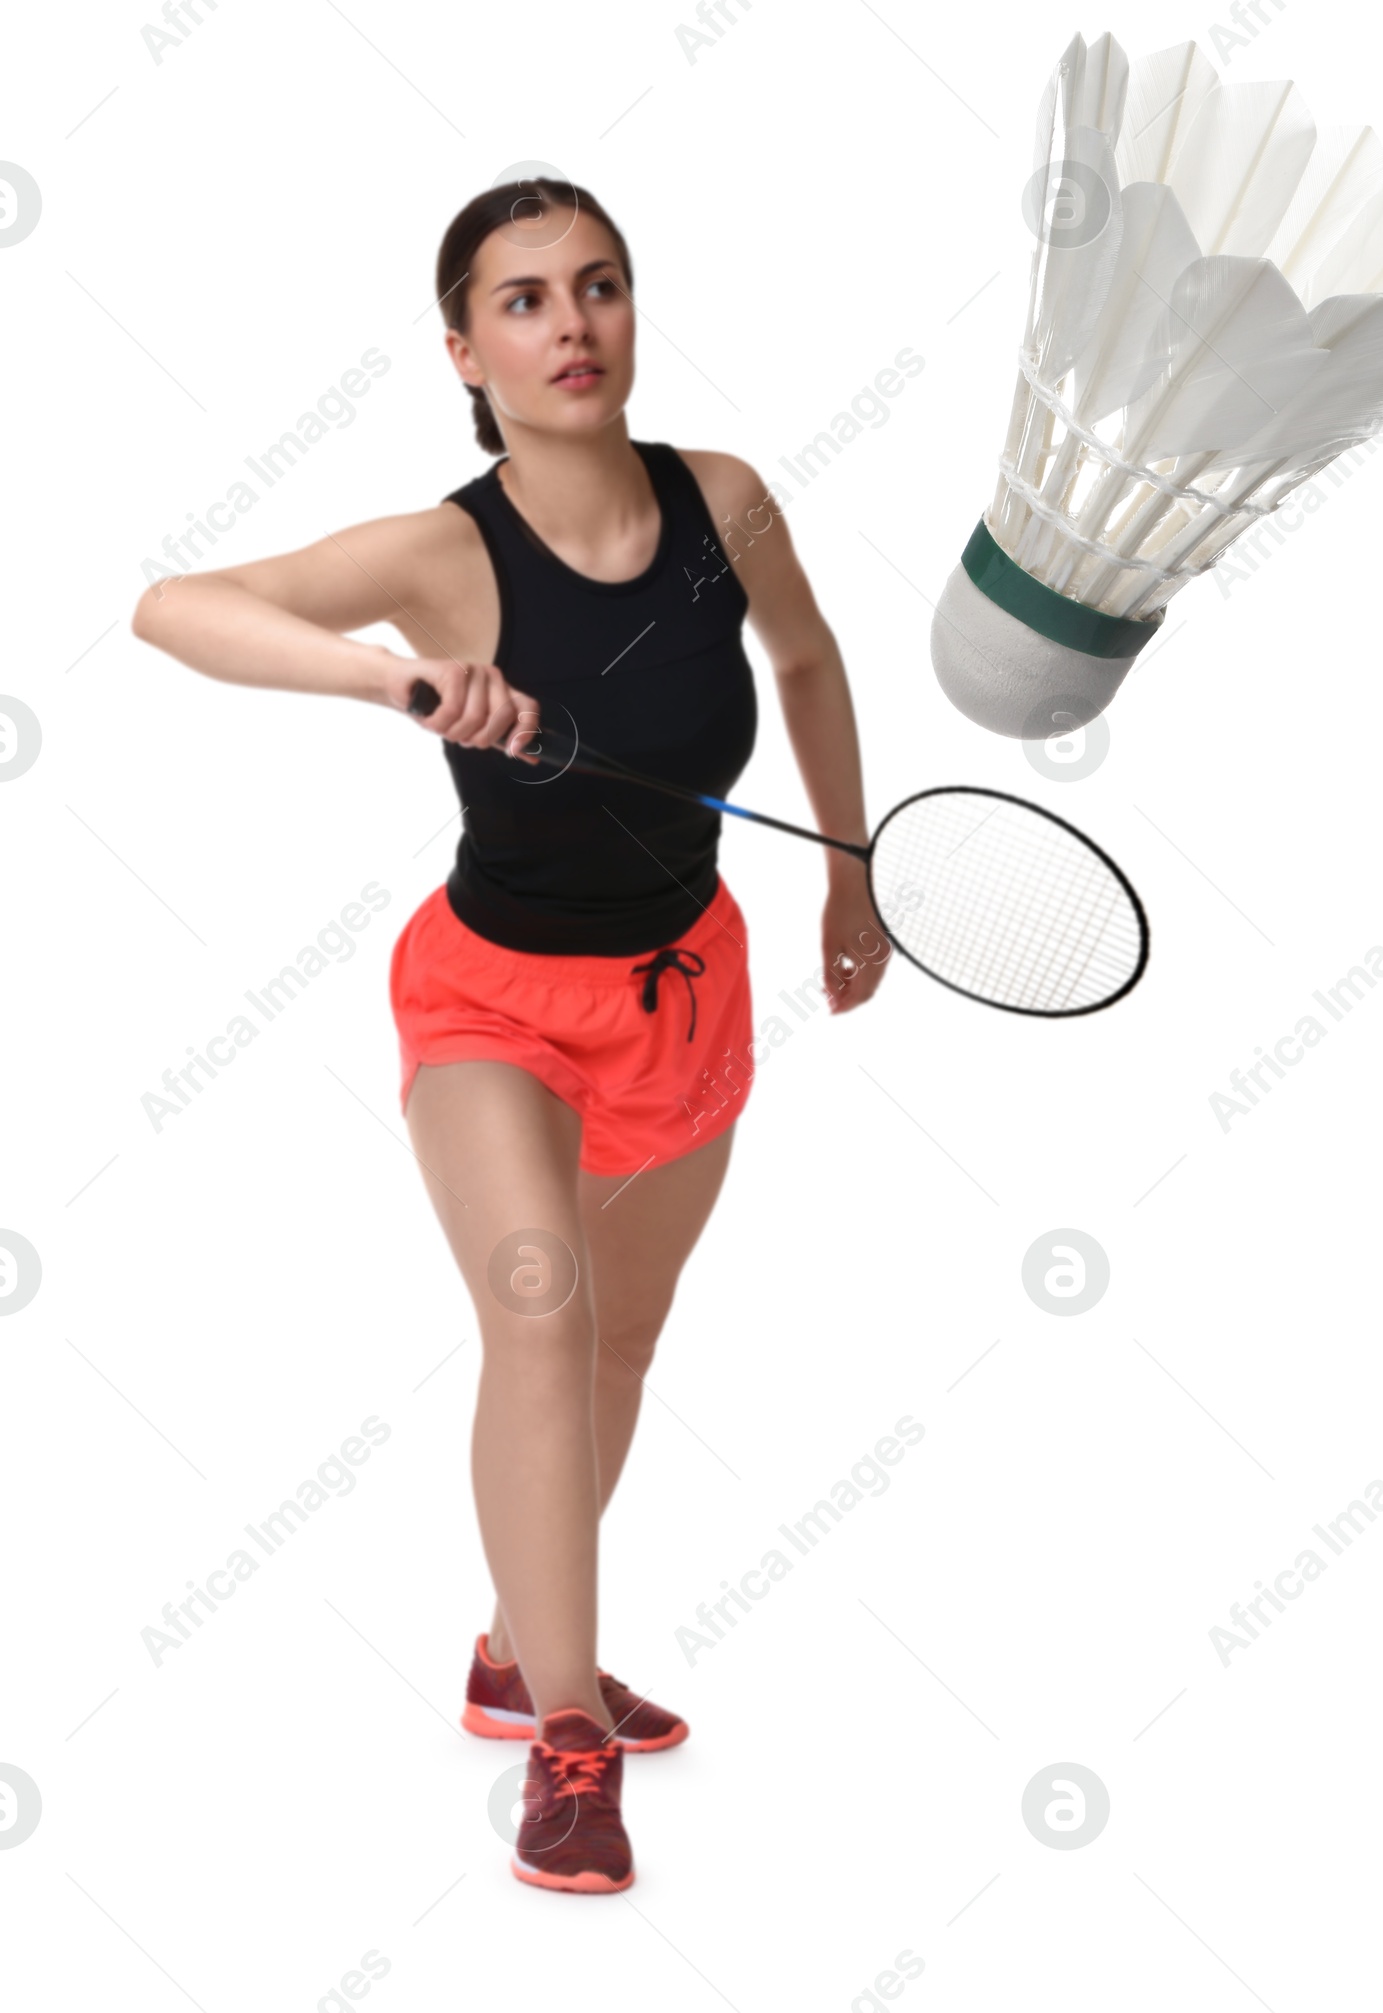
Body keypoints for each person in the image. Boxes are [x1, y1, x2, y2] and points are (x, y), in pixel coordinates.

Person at [130, 176, 889, 1893]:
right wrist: (402, 683)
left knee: (623, 1340)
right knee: (539, 1306)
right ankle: (564, 1733)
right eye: (528, 300)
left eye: (600, 286)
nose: (574, 325)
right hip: (490, 993)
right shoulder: (440, 555)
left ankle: (511, 1642)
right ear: (468, 349)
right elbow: (177, 605)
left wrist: (852, 872)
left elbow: (815, 665)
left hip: (683, 978)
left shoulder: (727, 500)